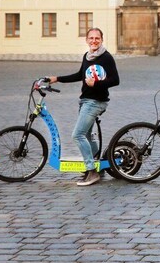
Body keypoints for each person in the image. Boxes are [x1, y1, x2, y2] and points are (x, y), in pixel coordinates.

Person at [48, 27, 119, 186]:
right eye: (91, 38)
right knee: (86, 135)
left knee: (77, 135)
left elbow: (115, 80)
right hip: (85, 101)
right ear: (87, 40)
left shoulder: (106, 58)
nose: (94, 41)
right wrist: (57, 78)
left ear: (102, 40)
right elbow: (79, 75)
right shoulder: (87, 56)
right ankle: (97, 166)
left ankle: (92, 171)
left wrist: (97, 83)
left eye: (97, 38)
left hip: (96, 102)